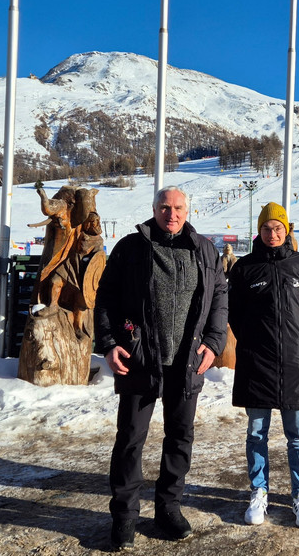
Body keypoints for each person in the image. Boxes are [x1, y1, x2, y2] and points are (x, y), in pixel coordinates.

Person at [96, 186, 228, 551]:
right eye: (165, 207)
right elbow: (105, 297)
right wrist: (109, 344)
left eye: (178, 208)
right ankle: (124, 515)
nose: (172, 214)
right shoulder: (131, 247)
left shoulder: (203, 249)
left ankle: (168, 507)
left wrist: (214, 343)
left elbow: (219, 296)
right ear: (154, 209)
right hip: (141, 360)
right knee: (130, 440)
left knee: (180, 437)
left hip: (187, 363)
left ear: (188, 210)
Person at [228, 203, 299, 529]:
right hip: (257, 364)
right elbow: (234, 315)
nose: (273, 233)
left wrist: (295, 340)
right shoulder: (243, 269)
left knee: (297, 435)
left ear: (287, 230)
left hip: (295, 364)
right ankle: (259, 491)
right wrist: (256, 341)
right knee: (257, 434)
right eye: (267, 228)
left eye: (278, 228)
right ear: (259, 231)